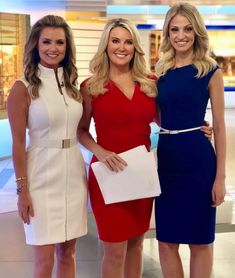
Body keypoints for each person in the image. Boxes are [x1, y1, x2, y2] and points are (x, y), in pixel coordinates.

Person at [77, 18, 212, 278]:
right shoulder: (90, 87)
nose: (122, 47)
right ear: (106, 44)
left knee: (137, 245)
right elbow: (81, 131)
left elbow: (169, 120)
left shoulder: (149, 83)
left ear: (135, 48)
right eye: (115, 40)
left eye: (128, 42)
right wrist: (100, 152)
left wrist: (200, 126)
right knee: (114, 250)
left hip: (141, 175)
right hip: (108, 174)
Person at [7, 15, 88, 278]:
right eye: (46, 42)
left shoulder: (73, 85)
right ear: (36, 44)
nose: (53, 48)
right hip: (40, 176)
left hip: (74, 176)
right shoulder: (23, 87)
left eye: (60, 42)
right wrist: (23, 190)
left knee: (69, 253)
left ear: (67, 47)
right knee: (43, 261)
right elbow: (18, 144)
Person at [154, 3, 226, 278]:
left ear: (197, 32)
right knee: (166, 240)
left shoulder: (210, 71)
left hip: (198, 163)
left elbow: (219, 127)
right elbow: (159, 116)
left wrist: (220, 178)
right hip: (168, 161)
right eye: (174, 29)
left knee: (200, 240)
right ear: (167, 33)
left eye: (187, 29)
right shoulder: (160, 71)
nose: (181, 35)